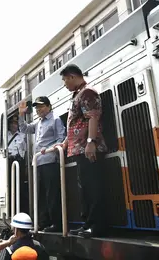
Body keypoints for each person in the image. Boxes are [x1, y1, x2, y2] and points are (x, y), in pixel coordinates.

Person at [56, 64, 107, 238]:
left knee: (93, 186)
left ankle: (96, 225)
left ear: (71, 76)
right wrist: (65, 142)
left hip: (88, 148)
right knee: (85, 187)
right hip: (78, 149)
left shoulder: (87, 92)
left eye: (64, 80)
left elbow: (93, 117)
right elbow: (75, 123)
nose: (64, 84)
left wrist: (91, 142)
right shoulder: (77, 94)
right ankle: (87, 224)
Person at [18, 97, 65, 232]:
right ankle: (44, 222)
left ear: (49, 106)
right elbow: (24, 128)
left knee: (52, 193)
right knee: (41, 194)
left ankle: (57, 223)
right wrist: (21, 114)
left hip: (50, 160)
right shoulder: (38, 123)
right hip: (38, 162)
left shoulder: (55, 119)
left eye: (41, 106)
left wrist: (50, 148)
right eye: (37, 108)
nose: (39, 110)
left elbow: (61, 138)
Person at [7, 115, 29, 214]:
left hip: (19, 162)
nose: (14, 125)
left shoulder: (22, 136)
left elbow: (25, 150)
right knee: (9, 186)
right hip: (8, 162)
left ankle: (21, 209)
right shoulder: (4, 136)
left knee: (20, 186)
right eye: (12, 123)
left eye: (15, 123)